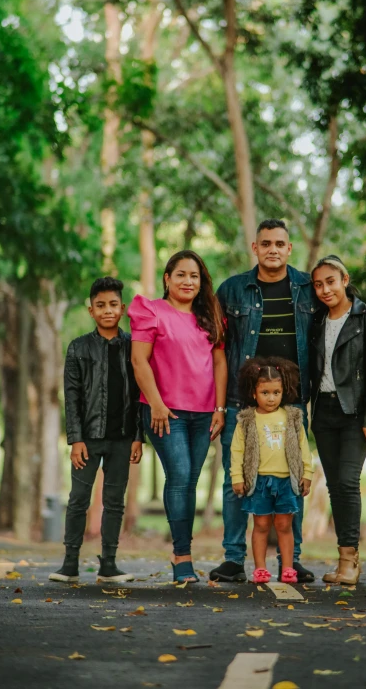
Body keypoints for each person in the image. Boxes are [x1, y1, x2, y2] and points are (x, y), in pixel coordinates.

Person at [210, 219, 317, 583]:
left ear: (290, 249)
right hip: (242, 403)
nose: (273, 249)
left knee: (293, 480)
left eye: (280, 244)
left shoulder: (308, 288)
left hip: (293, 405)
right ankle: (233, 559)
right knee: (236, 478)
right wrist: (219, 404)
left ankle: (293, 562)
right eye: (266, 243)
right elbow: (215, 346)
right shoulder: (232, 290)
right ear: (254, 248)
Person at [128, 250, 227, 584]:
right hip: (164, 412)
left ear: (202, 282)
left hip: (203, 413)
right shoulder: (150, 310)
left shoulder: (210, 314)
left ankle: (180, 552)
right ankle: (182, 555)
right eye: (181, 274)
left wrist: (220, 407)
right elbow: (139, 362)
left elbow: (219, 364)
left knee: (189, 483)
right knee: (181, 475)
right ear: (167, 278)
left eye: (195, 276)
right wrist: (155, 403)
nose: (188, 281)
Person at [49, 277, 143, 584]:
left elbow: (142, 394)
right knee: (78, 499)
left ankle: (109, 564)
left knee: (115, 502)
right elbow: (71, 395)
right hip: (87, 440)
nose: (107, 310)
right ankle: (70, 563)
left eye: (113, 304)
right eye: (100, 305)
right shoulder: (78, 348)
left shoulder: (134, 346)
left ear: (123, 308)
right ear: (91, 310)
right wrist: (75, 439)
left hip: (122, 438)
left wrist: (138, 437)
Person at [310, 255, 366, 585]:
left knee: (346, 482)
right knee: (335, 489)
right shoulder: (317, 321)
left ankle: (349, 561)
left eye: (330, 281)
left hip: (355, 413)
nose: (325, 289)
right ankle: (344, 561)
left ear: (345, 279)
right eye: (318, 284)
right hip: (323, 412)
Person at [230, 358, 313, 584]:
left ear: (283, 391)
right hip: (259, 483)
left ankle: (287, 568)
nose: (271, 397)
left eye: (276, 392)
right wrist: (237, 477)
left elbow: (303, 446)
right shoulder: (247, 420)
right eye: (265, 392)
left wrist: (307, 473)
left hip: (287, 481)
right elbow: (237, 450)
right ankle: (260, 569)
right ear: (254, 392)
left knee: (285, 526)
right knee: (261, 525)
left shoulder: (292, 417)